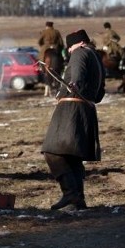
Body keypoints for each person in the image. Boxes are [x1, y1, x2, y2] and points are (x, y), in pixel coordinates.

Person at [41, 29, 105, 211]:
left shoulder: (79, 53)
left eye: (70, 48)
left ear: (76, 44)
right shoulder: (96, 57)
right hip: (86, 109)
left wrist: (74, 83)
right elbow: (100, 94)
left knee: (53, 151)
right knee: (72, 156)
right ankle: (78, 200)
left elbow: (77, 75)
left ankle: (70, 196)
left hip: (72, 109)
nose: (69, 52)